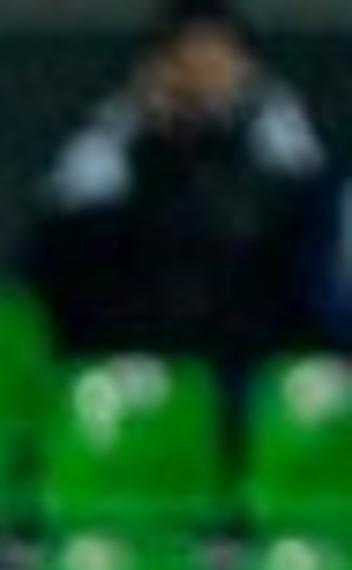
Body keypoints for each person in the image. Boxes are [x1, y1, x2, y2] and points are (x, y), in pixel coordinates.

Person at [26, 0, 327, 380]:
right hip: (135, 356)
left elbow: (289, 236)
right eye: (186, 62)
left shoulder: (276, 134)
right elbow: (59, 257)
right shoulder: (113, 139)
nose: (200, 79)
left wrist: (224, 137)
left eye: (217, 63)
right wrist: (153, 144)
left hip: (253, 358)